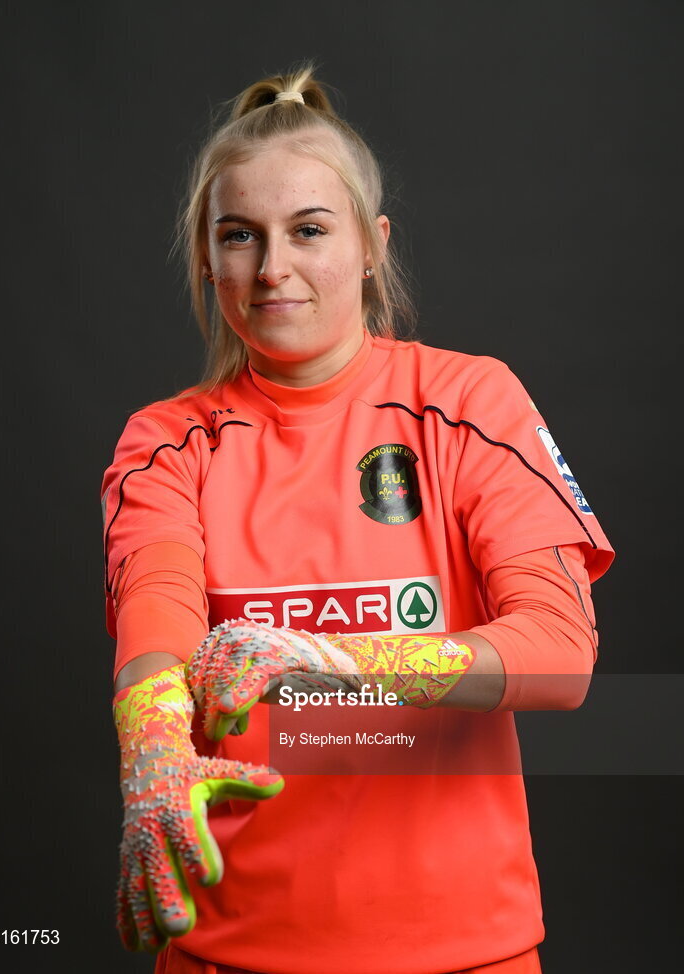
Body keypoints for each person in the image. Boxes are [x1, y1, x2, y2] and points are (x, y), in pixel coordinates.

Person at [101, 65, 614, 974]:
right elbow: (158, 619)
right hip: (229, 952)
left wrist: (333, 663)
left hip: (464, 950)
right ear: (204, 258)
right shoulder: (168, 440)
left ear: (372, 245)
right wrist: (150, 744)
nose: (272, 268)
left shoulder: (469, 400)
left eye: (307, 230)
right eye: (238, 237)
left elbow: (559, 652)